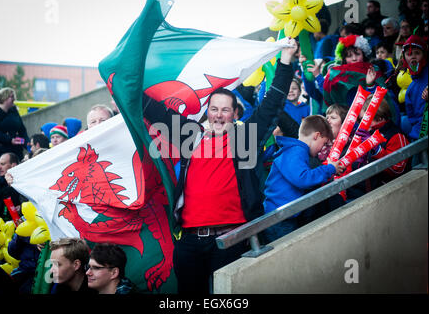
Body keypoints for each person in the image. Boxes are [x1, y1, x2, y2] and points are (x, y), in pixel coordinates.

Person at [142, 38, 299, 293]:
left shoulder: (244, 139)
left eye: (225, 110)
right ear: (207, 112)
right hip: (190, 243)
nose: (218, 115)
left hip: (231, 240)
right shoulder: (189, 136)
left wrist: (285, 60)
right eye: (214, 109)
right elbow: (156, 112)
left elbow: (272, 104)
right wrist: (127, 83)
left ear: (234, 114)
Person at [262, 115, 344, 243]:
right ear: (316, 136)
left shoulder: (296, 151)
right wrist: (330, 169)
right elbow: (302, 178)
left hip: (284, 215)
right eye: (323, 143)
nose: (322, 148)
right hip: (279, 219)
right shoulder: (295, 151)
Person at [0, 87, 29, 183]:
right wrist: (9, 139)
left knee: (17, 179)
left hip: (15, 151)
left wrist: (28, 145)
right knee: (0, 180)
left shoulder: (13, 111)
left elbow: (22, 129)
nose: (13, 99)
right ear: (4, 97)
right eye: (11, 97)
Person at [402, 35, 428, 141]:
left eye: (417, 53)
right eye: (409, 54)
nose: (413, 57)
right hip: (419, 134)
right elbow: (413, 119)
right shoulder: (410, 89)